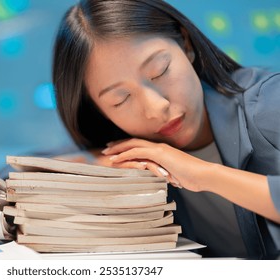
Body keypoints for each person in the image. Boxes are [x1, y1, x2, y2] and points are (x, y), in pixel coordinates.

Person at [51, 0, 280, 259]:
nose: (156, 107)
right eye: (121, 99)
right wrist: (102, 162)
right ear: (98, 112)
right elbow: (10, 175)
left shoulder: (269, 103)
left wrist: (204, 174)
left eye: (160, 71)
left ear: (186, 45)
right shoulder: (129, 147)